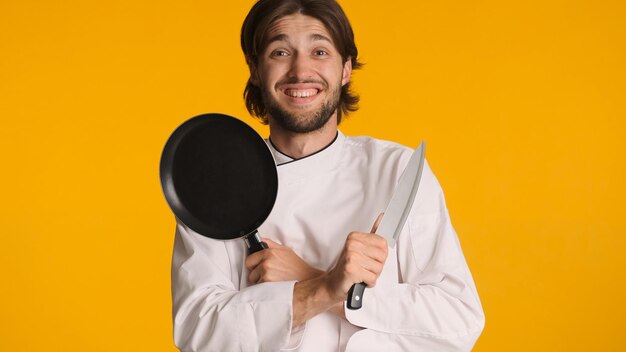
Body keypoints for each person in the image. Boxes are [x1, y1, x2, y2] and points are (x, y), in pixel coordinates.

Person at [171, 0, 485, 350]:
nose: (300, 70)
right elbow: (199, 331)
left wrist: (315, 281)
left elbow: (458, 322)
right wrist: (321, 289)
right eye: (280, 52)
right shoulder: (218, 184)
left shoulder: (397, 170)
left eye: (320, 51)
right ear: (256, 70)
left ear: (345, 69)